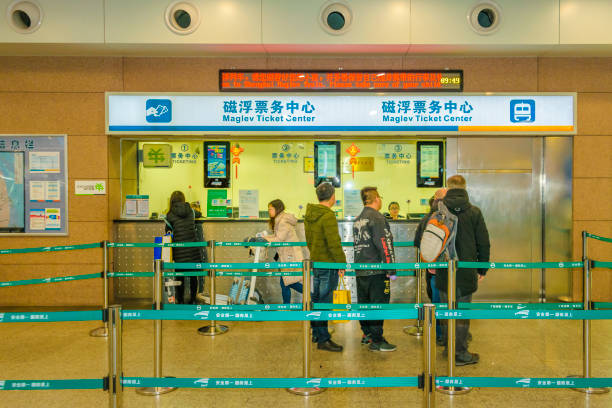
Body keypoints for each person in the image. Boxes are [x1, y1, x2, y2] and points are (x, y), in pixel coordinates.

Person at [436, 175, 490, 365]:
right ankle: (460, 354)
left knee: (446, 310)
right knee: (462, 313)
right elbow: (483, 242)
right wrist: (482, 268)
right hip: (466, 270)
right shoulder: (474, 212)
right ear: (465, 188)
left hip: (443, 268)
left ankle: (449, 349)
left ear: (448, 188)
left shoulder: (438, 211)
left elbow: (423, 240)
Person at [353, 187, 397, 352]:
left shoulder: (358, 219)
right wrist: (391, 270)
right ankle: (377, 340)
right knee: (378, 305)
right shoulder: (377, 218)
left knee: (364, 304)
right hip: (377, 271)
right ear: (377, 198)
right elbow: (385, 245)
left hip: (361, 270)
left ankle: (367, 335)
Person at [304, 182, 346, 352]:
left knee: (316, 300)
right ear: (332, 197)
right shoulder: (327, 215)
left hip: (316, 262)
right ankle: (323, 339)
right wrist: (342, 263)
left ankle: (316, 332)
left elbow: (309, 240)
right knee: (325, 301)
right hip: (328, 264)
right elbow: (334, 243)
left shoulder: (310, 215)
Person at [414, 188, 447, 345]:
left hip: (431, 267)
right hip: (445, 267)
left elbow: (417, 241)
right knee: (444, 301)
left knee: (435, 300)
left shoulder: (427, 218)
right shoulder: (448, 218)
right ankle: (443, 334)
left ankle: (437, 333)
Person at [164, 190, 202, 304]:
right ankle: (193, 300)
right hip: (193, 249)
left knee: (180, 275)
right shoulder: (191, 210)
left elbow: (167, 231)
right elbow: (199, 214)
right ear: (183, 199)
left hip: (179, 250)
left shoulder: (169, 215)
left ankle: (180, 300)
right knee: (193, 275)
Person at [264, 199, 304, 304]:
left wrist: (266, 239)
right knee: (285, 282)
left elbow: (278, 240)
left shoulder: (282, 222)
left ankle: (313, 296)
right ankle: (286, 306)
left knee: (287, 282)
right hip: (288, 256)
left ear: (277, 209)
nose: (269, 211)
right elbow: (277, 236)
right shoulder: (280, 220)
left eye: (270, 209)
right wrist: (265, 237)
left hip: (290, 257)